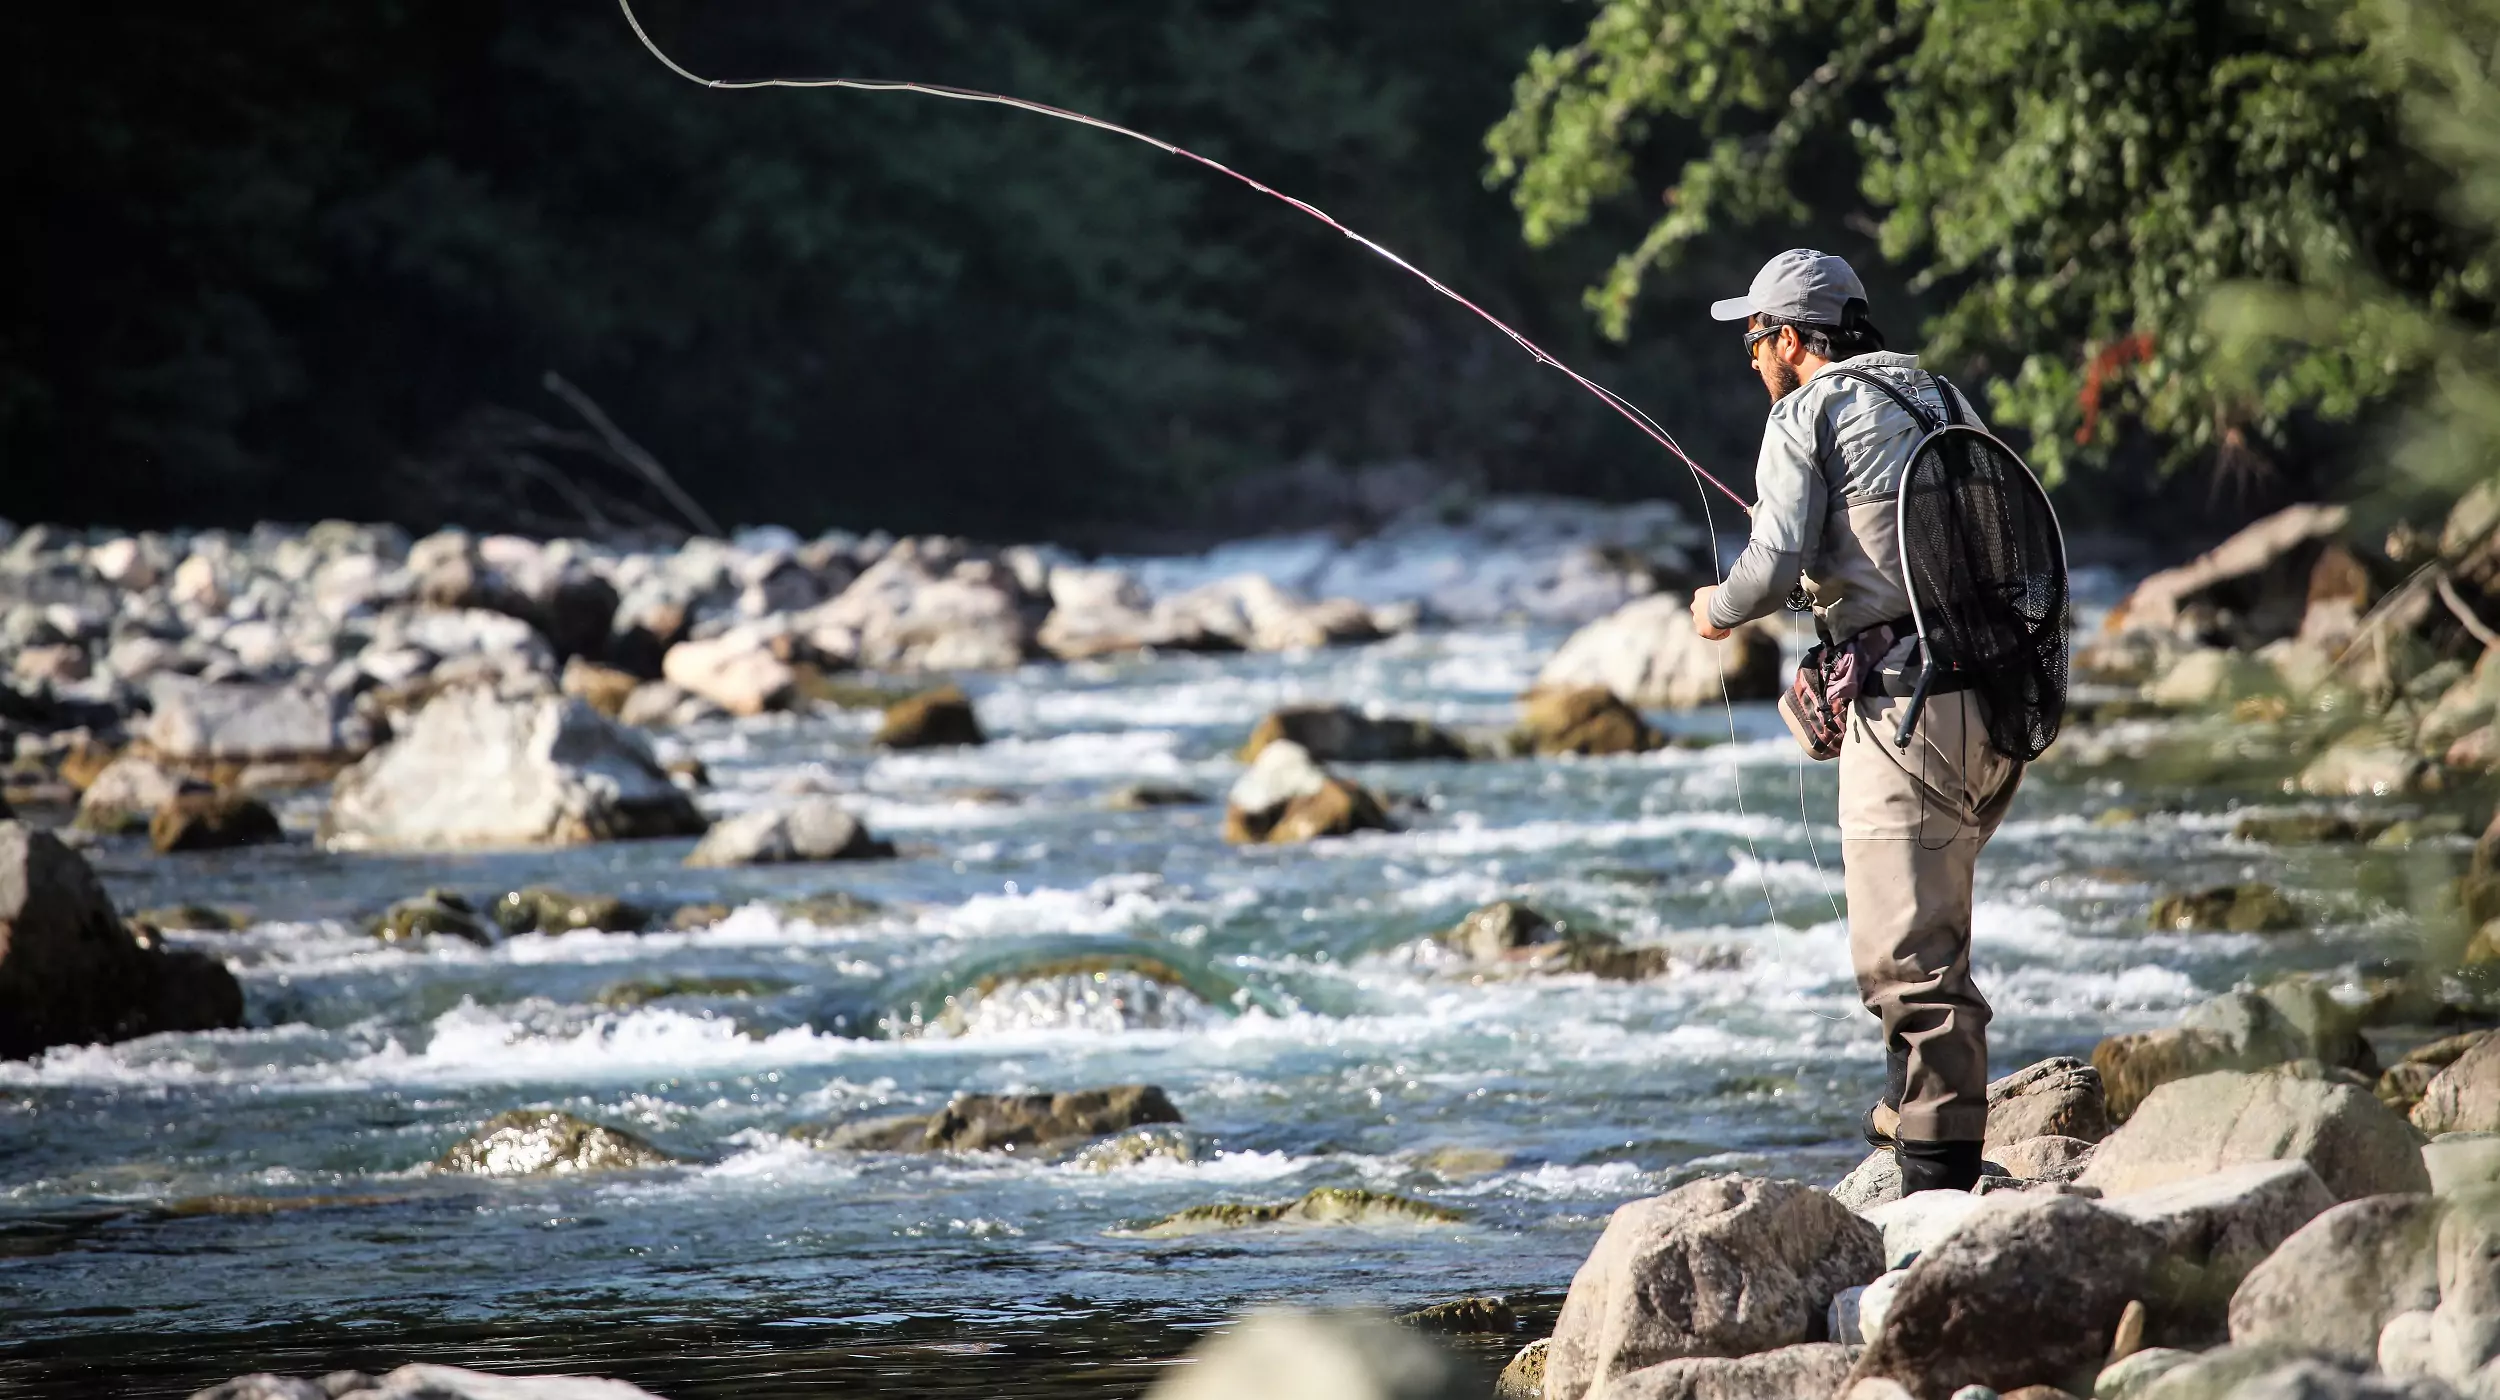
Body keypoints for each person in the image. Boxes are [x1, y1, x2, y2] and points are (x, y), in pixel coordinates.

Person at [1688, 248, 2024, 1194]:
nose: (1751, 357)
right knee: (1930, 937)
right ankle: (1913, 1135)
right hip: (1994, 706)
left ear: (1792, 339)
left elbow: (1774, 557)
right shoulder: (1940, 394)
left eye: (1755, 338)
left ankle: (1934, 1196)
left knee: (1906, 964)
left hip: (1912, 713)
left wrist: (1718, 608)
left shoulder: (1806, 410)